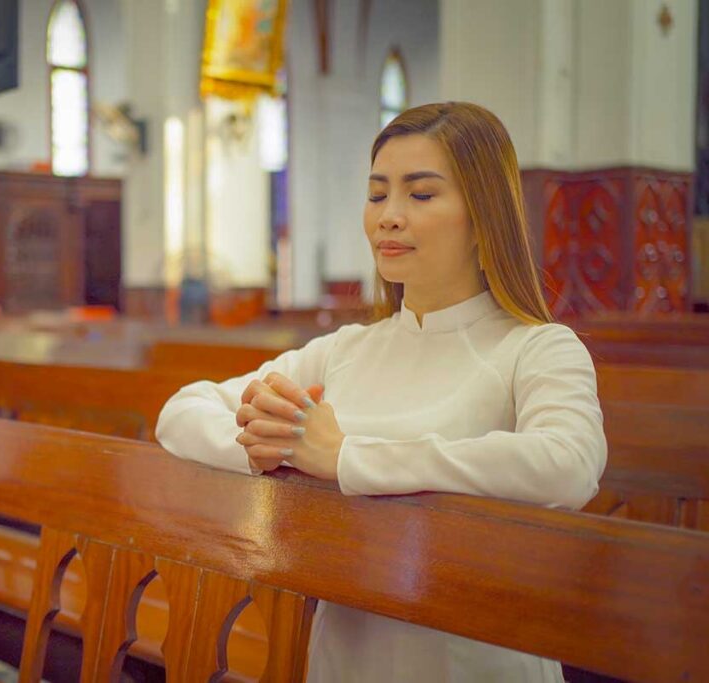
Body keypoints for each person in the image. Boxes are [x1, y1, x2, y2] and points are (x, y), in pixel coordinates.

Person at [155, 102, 607, 682]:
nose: (388, 217)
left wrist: (347, 455)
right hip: (347, 654)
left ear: (484, 214)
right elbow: (181, 412)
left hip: (476, 658)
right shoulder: (344, 350)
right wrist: (265, 446)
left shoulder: (537, 347)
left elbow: (568, 465)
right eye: (376, 195)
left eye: (420, 195)